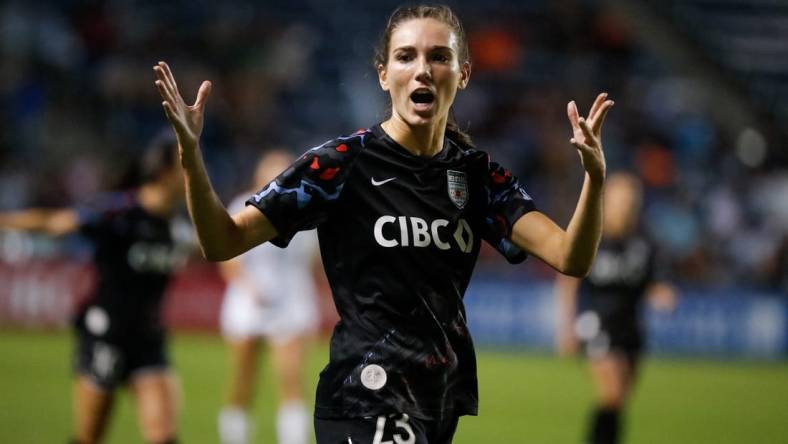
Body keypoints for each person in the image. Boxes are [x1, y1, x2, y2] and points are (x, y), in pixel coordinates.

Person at [153, 4, 613, 442]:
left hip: (438, 397)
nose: (422, 69)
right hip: (364, 393)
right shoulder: (339, 164)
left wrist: (594, 179)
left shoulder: (478, 177)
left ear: (463, 74)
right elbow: (221, 242)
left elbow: (571, 256)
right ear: (384, 75)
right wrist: (191, 158)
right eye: (405, 56)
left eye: (439, 57)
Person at [0, 134, 187, 444]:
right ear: (165, 172)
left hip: (148, 339)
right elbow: (57, 223)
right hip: (105, 336)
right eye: (188, 165)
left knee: (164, 436)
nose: (198, 172)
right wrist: (5, 221)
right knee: (90, 437)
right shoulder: (120, 211)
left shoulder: (178, 222)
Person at [555, 172, 677, 444]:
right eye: (621, 199)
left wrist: (663, 294)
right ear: (607, 200)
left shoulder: (645, 243)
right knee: (611, 393)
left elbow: (656, 281)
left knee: (618, 401)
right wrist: (567, 326)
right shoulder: (592, 235)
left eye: (632, 200)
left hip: (631, 327)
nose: (627, 206)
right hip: (596, 322)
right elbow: (568, 281)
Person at [217, 150, 320, 444]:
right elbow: (228, 257)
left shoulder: (306, 211)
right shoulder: (243, 205)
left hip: (291, 303)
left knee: (290, 379)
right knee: (242, 380)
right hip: (247, 303)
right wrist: (249, 287)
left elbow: (312, 260)